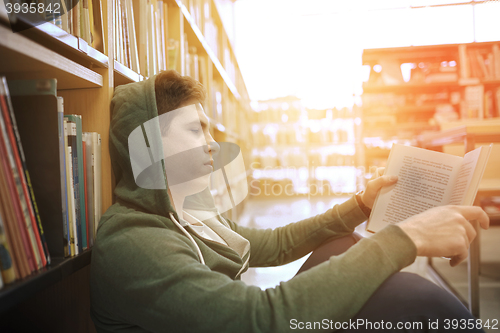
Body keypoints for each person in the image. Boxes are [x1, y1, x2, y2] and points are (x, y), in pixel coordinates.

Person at [90, 70, 490, 333]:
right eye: (197, 130)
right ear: (153, 143)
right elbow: (260, 320)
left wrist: (361, 206)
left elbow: (274, 244)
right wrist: (405, 238)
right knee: (414, 300)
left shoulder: (187, 214)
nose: (213, 144)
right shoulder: (134, 243)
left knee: (340, 247)